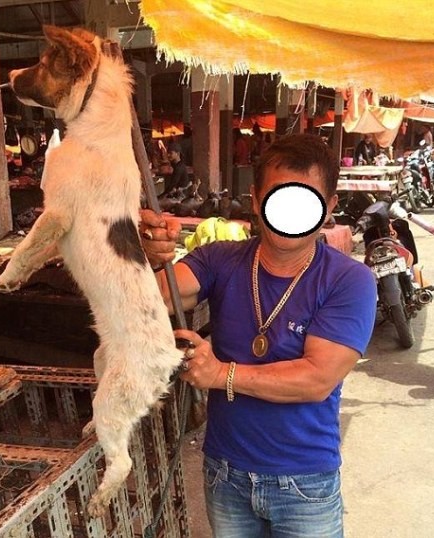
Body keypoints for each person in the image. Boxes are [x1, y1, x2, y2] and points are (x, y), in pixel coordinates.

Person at [140, 134, 377, 537]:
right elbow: (155, 297)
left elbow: (317, 379)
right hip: (225, 472)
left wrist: (221, 374)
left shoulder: (349, 280)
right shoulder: (219, 258)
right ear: (255, 200)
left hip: (305, 482)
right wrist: (145, 255)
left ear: (328, 207)